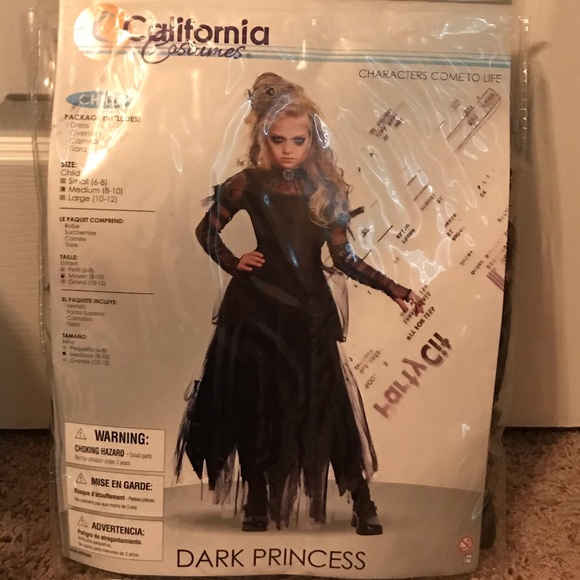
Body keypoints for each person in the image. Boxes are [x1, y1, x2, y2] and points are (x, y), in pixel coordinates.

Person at [175, 72, 423, 535]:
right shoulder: (247, 183)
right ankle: (256, 498)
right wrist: (233, 261)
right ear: (262, 138)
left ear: (313, 141)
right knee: (255, 404)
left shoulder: (325, 190)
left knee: (326, 404)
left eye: (298, 140)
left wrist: (394, 288)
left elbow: (343, 258)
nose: (288, 149)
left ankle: (361, 500)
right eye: (278, 139)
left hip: (307, 312)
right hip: (255, 311)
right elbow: (205, 230)